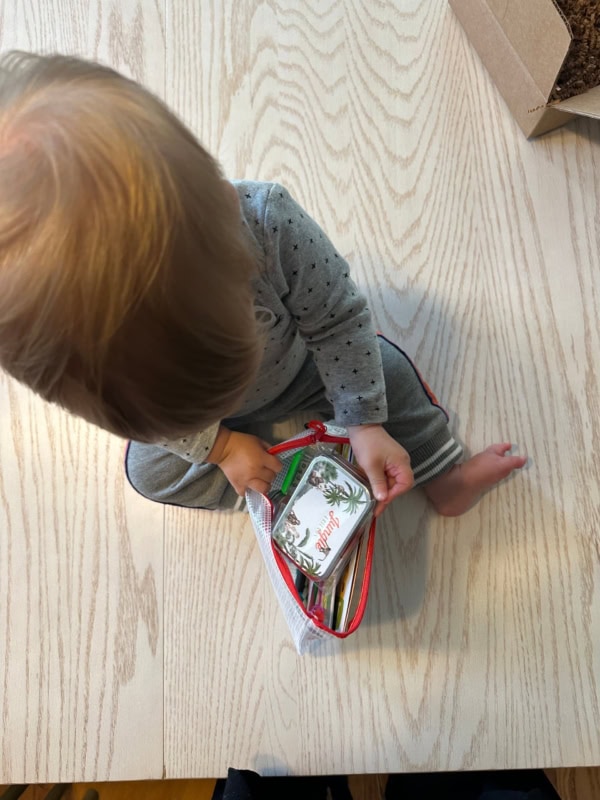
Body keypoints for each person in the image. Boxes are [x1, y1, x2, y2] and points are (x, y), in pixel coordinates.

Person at [0, 52, 526, 517]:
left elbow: (337, 320)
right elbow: (155, 427)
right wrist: (221, 446)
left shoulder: (269, 224)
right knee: (148, 474)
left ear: (225, 204)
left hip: (301, 368)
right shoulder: (115, 380)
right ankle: (266, 483)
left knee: (383, 372)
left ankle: (445, 480)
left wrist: (364, 423)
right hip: (202, 426)